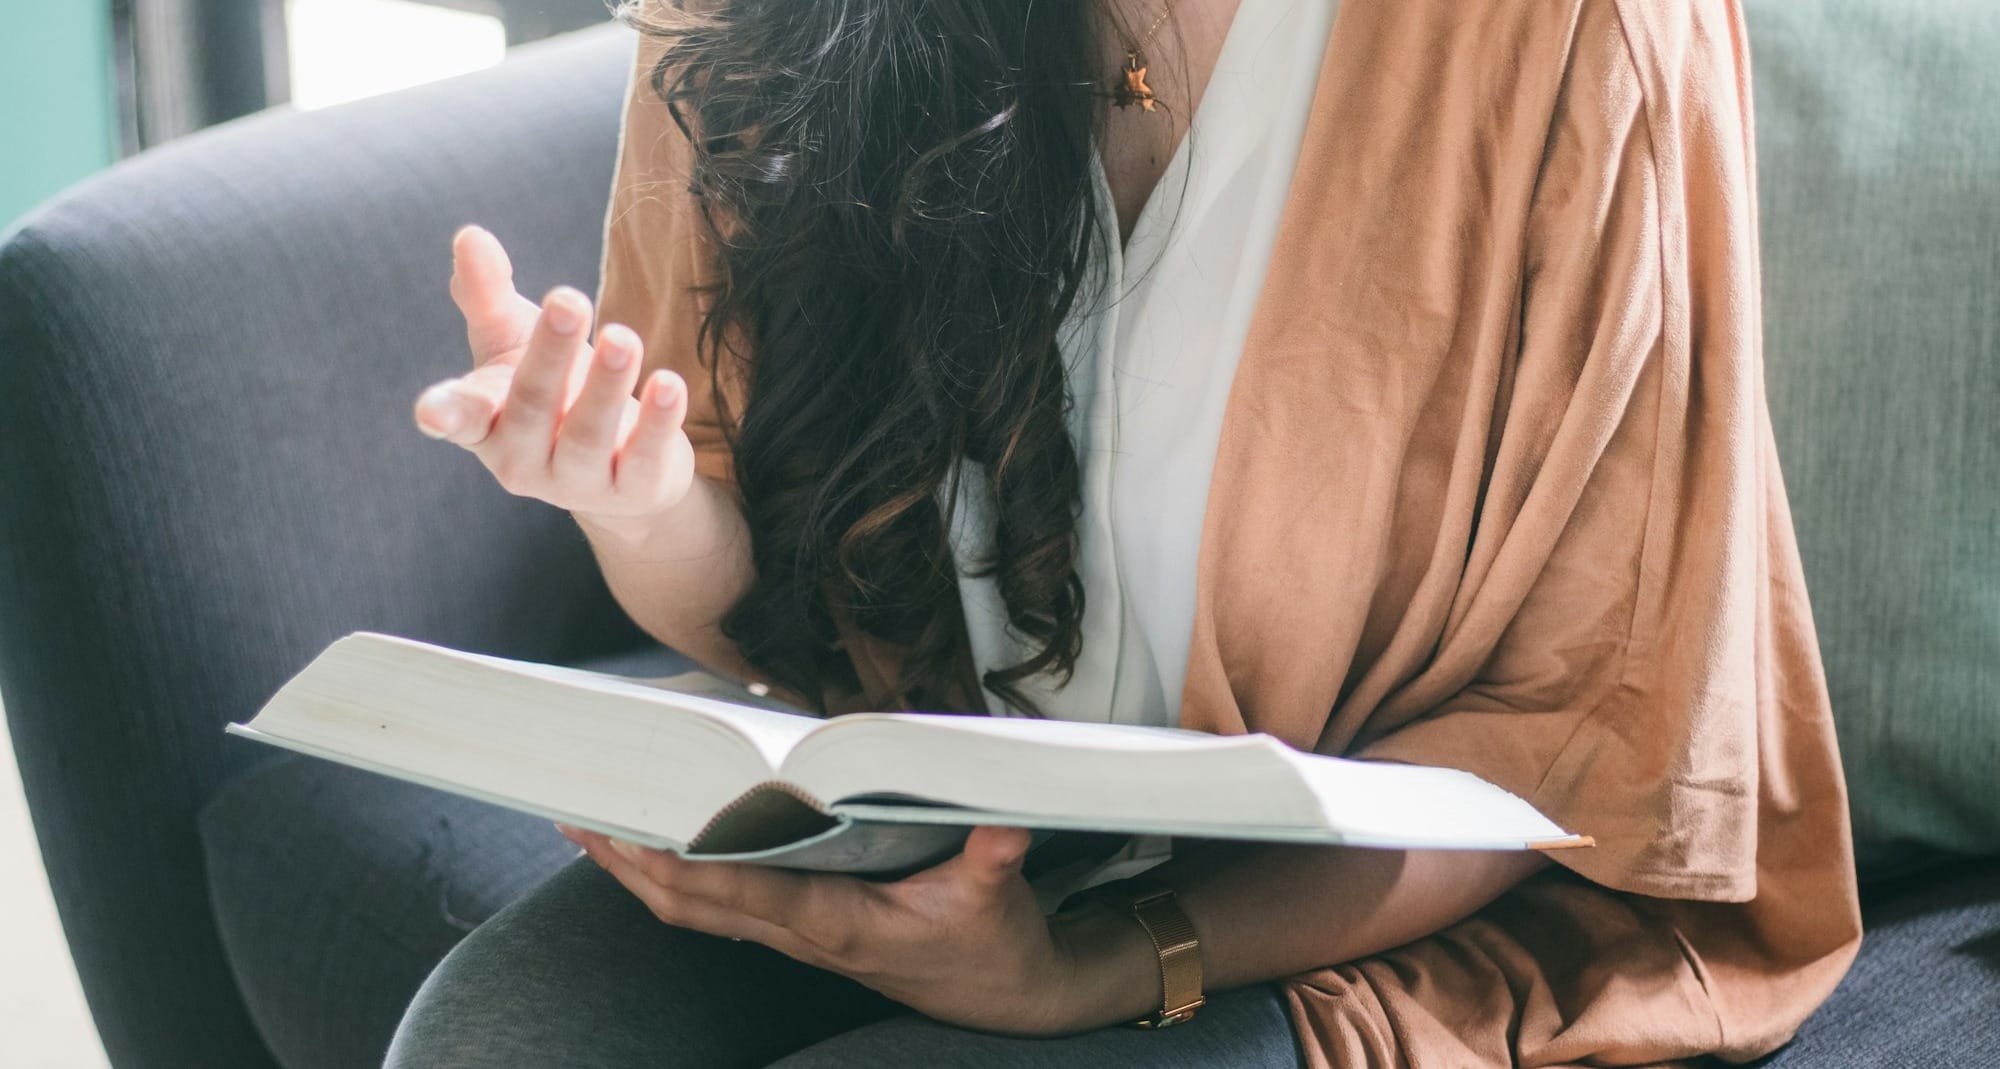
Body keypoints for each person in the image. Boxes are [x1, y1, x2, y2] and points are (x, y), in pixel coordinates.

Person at [387, 0, 1863, 1064]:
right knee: (493, 1037)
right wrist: (637, 503)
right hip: (915, 840)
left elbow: (1578, 746)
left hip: (1332, 921)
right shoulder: (760, 22)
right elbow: (770, 600)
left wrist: (1092, 970)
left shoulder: (1575, 35)